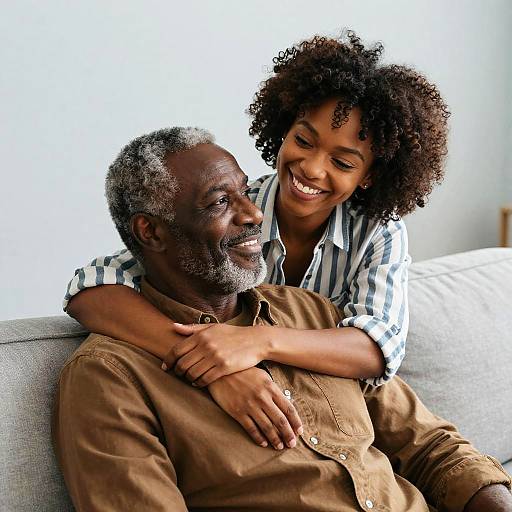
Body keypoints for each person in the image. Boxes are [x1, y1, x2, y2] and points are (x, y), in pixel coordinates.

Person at [52, 128, 512, 511]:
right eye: (219, 203)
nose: (253, 213)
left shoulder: (311, 313)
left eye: (244, 192)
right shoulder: (109, 378)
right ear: (150, 232)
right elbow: (89, 286)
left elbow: (431, 446)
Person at [63, 31, 450, 449]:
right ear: (284, 129)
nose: (312, 168)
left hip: (339, 411)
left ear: (369, 175)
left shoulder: (378, 233)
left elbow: (376, 348)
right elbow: (90, 286)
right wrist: (219, 364)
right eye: (303, 140)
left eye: (341, 162)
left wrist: (256, 341)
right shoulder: (235, 213)